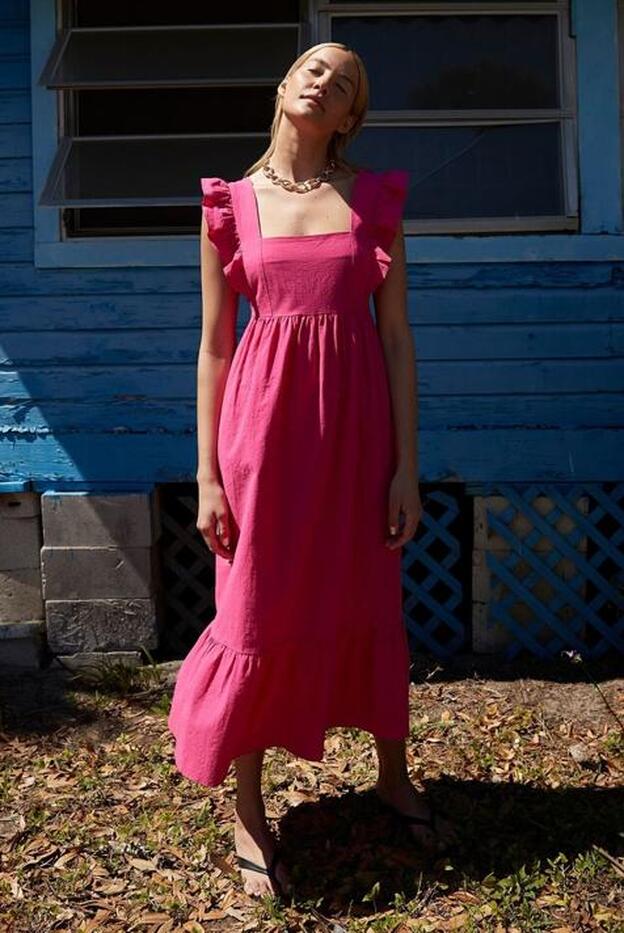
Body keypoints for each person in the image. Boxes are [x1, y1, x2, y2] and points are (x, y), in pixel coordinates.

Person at [168, 40, 457, 900]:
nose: (324, 77)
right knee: (256, 607)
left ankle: (392, 775)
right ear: (287, 87)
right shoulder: (230, 205)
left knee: (367, 596)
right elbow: (214, 346)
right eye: (314, 66)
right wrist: (208, 475)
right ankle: (249, 807)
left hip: (357, 436)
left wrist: (408, 466)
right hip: (263, 437)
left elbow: (398, 338)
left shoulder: (374, 202)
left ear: (348, 116)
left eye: (345, 79)